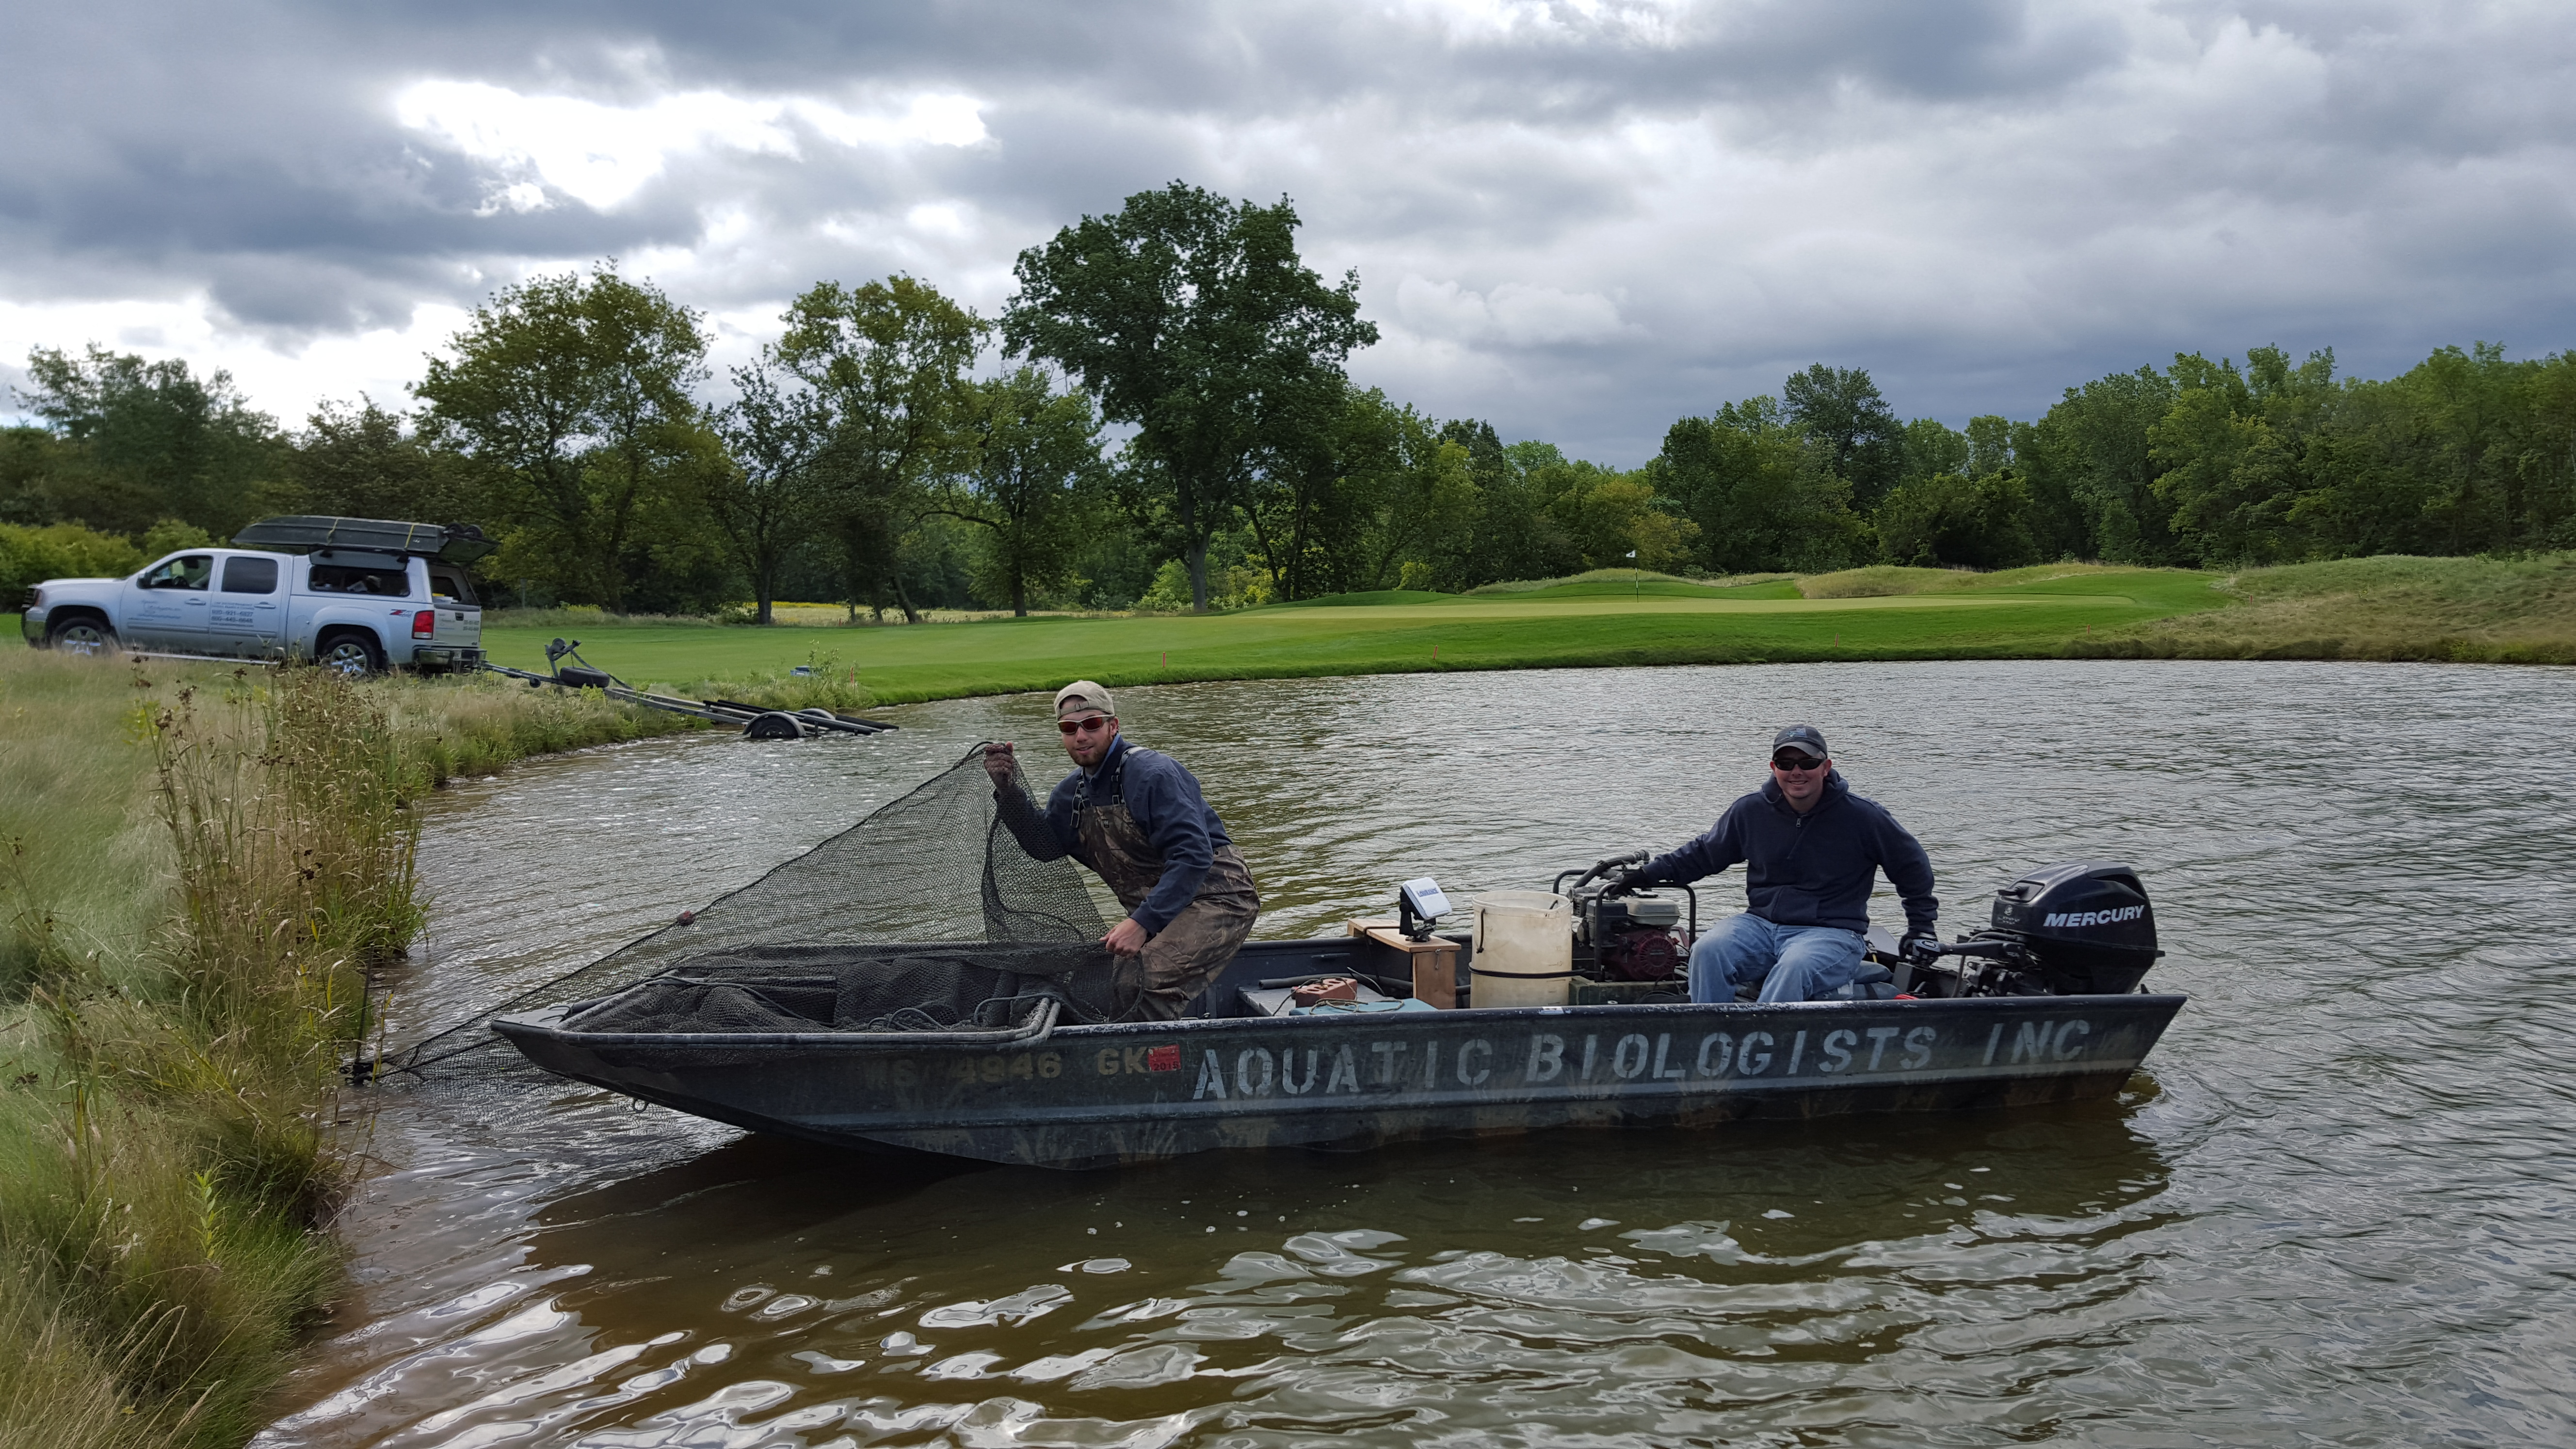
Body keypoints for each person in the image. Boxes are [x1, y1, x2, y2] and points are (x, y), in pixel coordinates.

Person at [984, 681, 1260, 1020]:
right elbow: (1045, 848)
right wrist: (1009, 793)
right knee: (1113, 976)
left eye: (1092, 725)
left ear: (1113, 726)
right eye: (1069, 729)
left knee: (1139, 980)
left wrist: (1142, 923)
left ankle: (1156, 1068)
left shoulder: (1153, 775)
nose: (1081, 737)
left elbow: (1193, 855)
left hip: (1218, 899)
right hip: (1159, 908)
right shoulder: (1070, 794)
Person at [1623, 724, 1938, 1003]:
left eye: (1808, 763)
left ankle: (1762, 1050)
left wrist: (1922, 927)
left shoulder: (1865, 817)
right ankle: (1709, 1039)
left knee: (1794, 968)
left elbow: (1912, 867)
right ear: (1774, 768)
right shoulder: (1751, 811)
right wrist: (1644, 875)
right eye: (1786, 764)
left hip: (1832, 932)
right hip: (1760, 925)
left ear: (1826, 767)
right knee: (1708, 951)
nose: (1797, 772)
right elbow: (1704, 854)